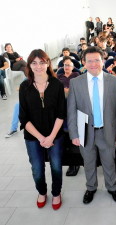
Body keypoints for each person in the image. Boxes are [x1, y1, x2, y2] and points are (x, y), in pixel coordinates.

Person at [67, 46, 116, 204]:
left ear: (103, 61)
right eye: (89, 61)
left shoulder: (114, 81)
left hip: (107, 131)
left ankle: (112, 187)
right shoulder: (75, 83)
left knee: (109, 162)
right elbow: (71, 110)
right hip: (84, 131)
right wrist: (74, 134)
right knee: (88, 163)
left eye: (97, 60)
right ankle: (91, 187)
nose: (93, 64)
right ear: (84, 63)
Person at [19, 49, 65, 210]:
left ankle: (57, 192)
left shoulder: (56, 84)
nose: (38, 66)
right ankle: (42, 192)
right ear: (29, 65)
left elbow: (61, 114)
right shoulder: (25, 86)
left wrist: (51, 137)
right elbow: (23, 118)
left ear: (48, 63)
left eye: (42, 62)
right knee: (37, 168)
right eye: (34, 63)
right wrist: (41, 138)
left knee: (56, 166)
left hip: (55, 135)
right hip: (33, 137)